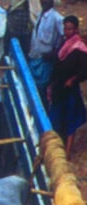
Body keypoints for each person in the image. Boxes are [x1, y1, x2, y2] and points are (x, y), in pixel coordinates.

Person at [48, 15, 87, 156]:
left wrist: (73, 80)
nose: (67, 31)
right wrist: (51, 84)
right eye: (65, 28)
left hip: (70, 89)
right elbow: (57, 66)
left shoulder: (80, 48)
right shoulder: (63, 45)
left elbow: (84, 71)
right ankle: (57, 148)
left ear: (76, 29)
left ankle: (68, 151)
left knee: (70, 119)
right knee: (57, 117)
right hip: (59, 87)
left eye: (70, 29)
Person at [28, 0, 63, 108]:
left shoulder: (57, 18)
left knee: (44, 90)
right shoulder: (40, 15)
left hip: (46, 60)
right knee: (35, 89)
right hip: (35, 57)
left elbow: (64, 37)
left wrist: (55, 52)